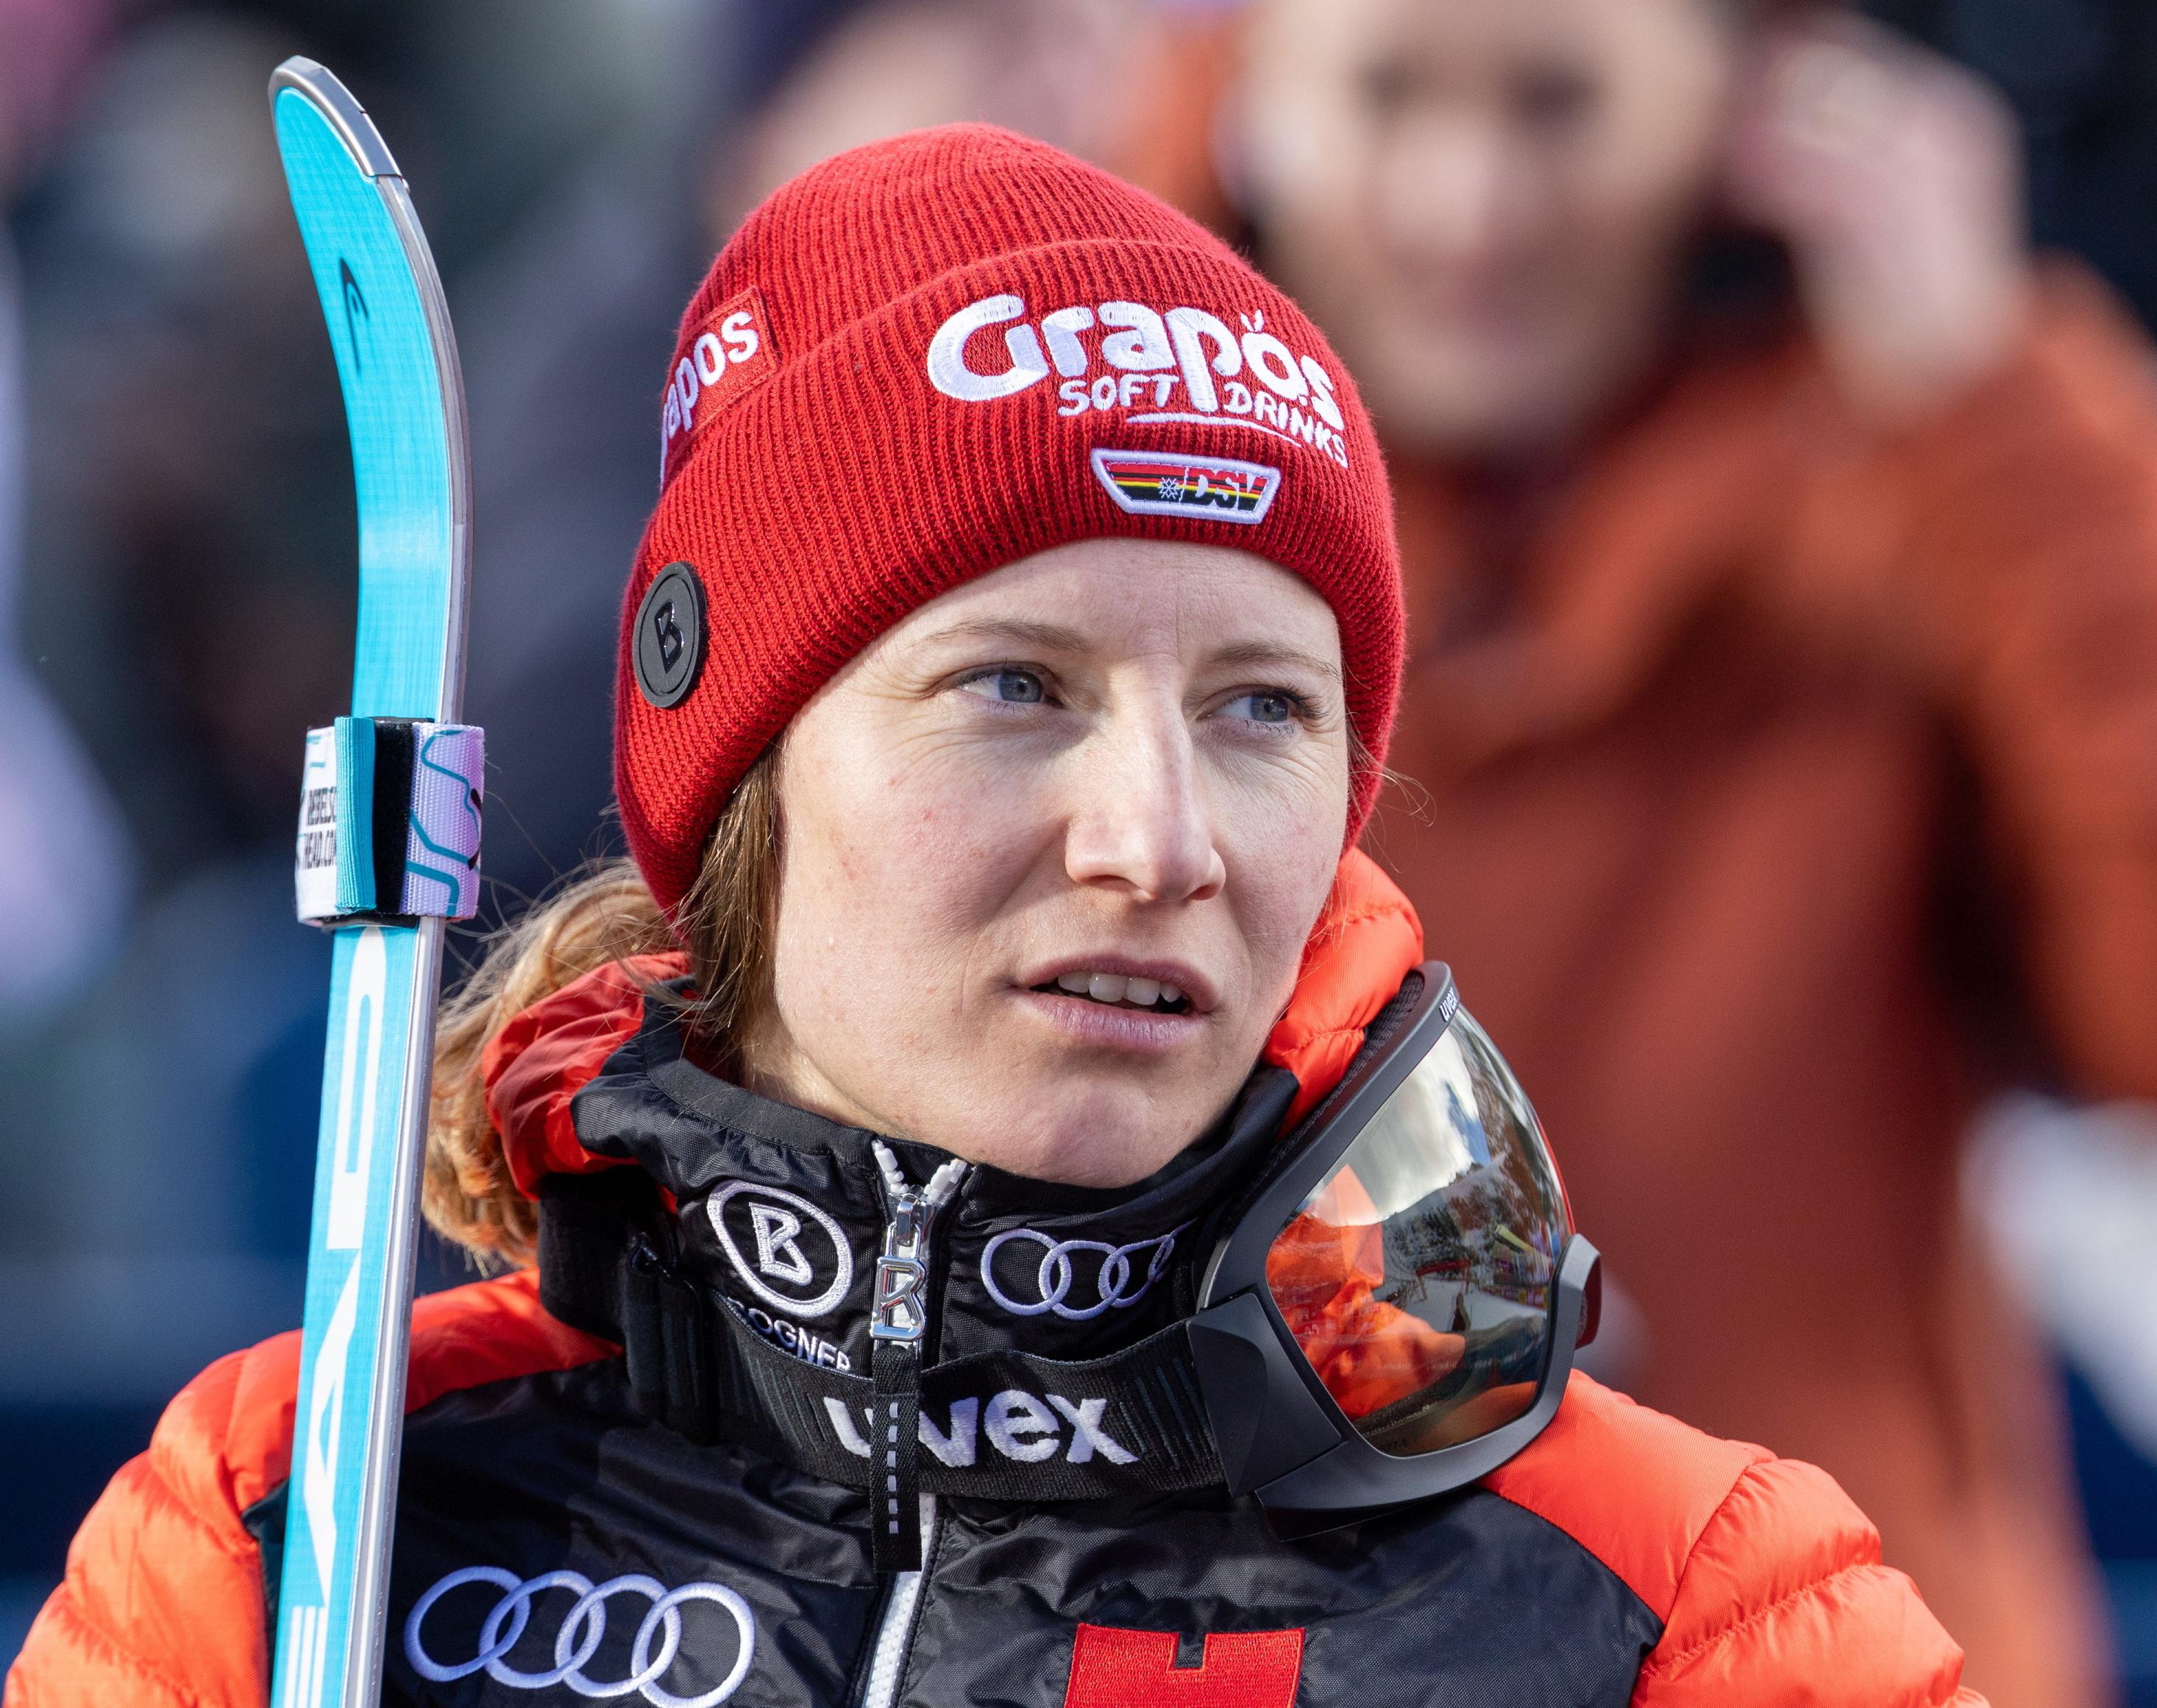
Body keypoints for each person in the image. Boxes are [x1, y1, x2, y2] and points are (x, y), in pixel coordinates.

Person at [8, 126, 1982, 1707]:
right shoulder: (314, 1518)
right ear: (752, 767)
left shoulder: (1680, 1608)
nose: (1157, 839)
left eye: (1262, 709)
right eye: (1013, 685)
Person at [1211, 1, 2157, 1702]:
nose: (1469, 204)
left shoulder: (1908, 510)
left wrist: (1999, 404)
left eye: (1561, 104)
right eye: (1385, 97)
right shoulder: (1114, 523)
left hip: (1851, 1648)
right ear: (1248, 109)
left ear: (1752, 116)